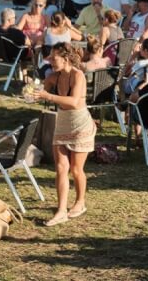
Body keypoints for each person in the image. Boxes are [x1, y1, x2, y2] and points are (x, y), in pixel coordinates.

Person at [31, 43, 96, 226]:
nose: (50, 61)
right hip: (62, 124)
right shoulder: (53, 77)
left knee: (76, 169)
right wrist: (32, 92)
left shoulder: (78, 75)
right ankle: (60, 211)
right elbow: (39, 90)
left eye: (53, 58)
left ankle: (80, 202)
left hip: (80, 125)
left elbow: (75, 102)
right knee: (60, 167)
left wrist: (47, 96)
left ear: (65, 58)